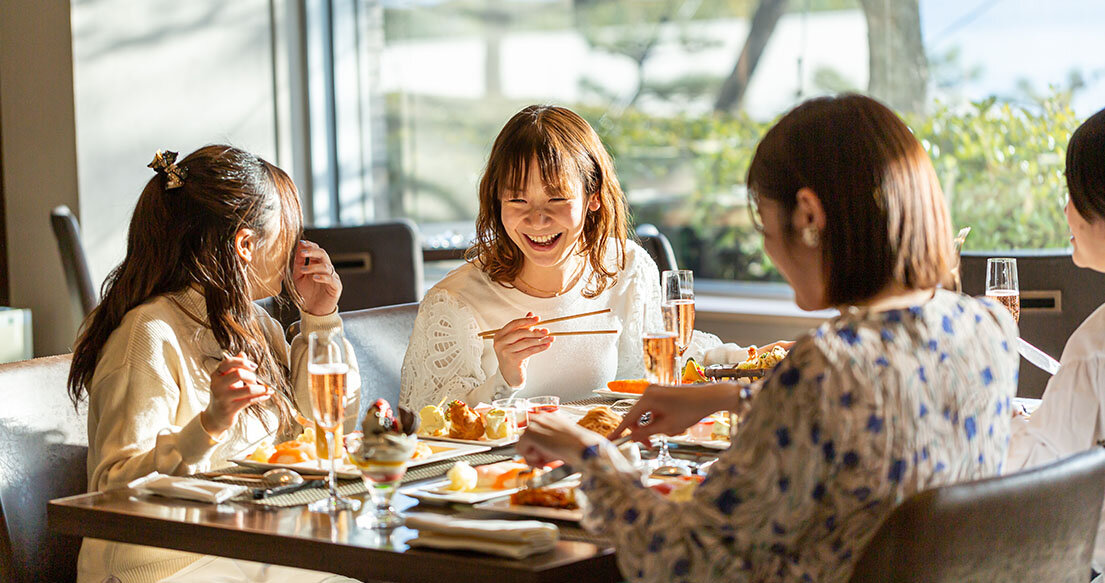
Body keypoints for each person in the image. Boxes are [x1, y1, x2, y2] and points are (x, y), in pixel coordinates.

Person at [517, 94, 1020, 583]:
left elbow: (685, 563)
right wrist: (734, 395)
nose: (767, 246)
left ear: (807, 216)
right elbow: (887, 407)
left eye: (763, 222)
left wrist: (592, 458)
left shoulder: (827, 366)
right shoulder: (989, 329)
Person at [67, 146, 360, 583]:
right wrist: (208, 425)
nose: (298, 247)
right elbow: (113, 487)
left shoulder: (254, 324)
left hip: (240, 546)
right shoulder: (148, 332)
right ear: (245, 244)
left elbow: (327, 430)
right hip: (159, 563)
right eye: (288, 232)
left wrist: (319, 321)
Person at [400, 105, 717, 409]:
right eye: (517, 199)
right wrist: (504, 379)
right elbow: (427, 426)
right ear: (496, 202)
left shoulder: (627, 269)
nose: (537, 220)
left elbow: (658, 371)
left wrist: (746, 360)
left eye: (557, 198)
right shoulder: (454, 302)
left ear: (593, 196)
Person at [1005, 106, 1105, 573]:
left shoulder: (1096, 348)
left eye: (1073, 193)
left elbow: (1031, 475)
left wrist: (996, 421)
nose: (1066, 209)